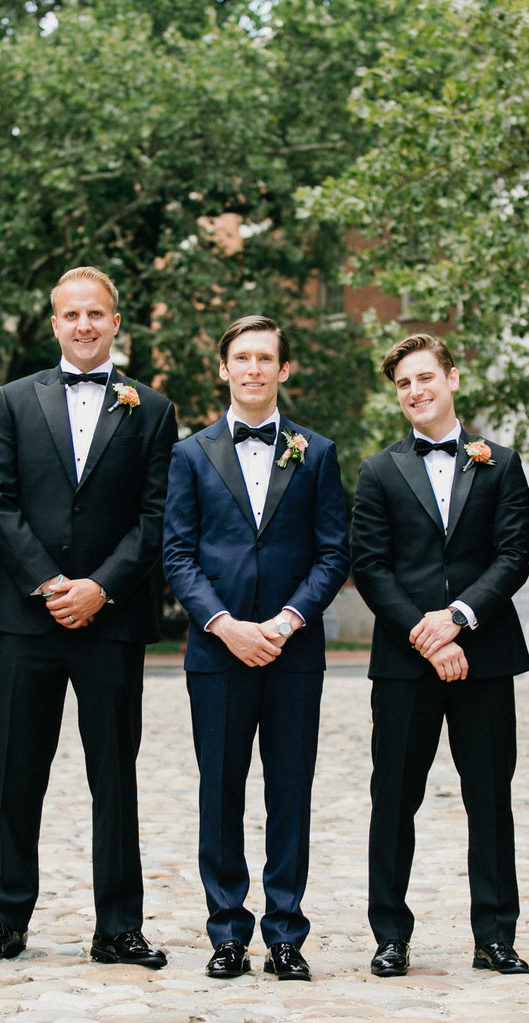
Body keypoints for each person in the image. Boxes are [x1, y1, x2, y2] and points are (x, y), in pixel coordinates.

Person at [0, 267, 178, 969]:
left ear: (117, 322)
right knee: (17, 771)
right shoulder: (15, 400)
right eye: (70, 314)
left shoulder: (152, 407)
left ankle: (119, 924)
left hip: (111, 623)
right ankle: (7, 917)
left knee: (114, 775)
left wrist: (101, 587)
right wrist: (51, 583)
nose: (84, 324)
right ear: (54, 323)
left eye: (96, 313)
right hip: (27, 620)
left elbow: (156, 515)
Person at [162, 314, 350, 981]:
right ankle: (227, 931)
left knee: (290, 790)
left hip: (293, 652)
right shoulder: (190, 454)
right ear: (224, 367)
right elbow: (177, 554)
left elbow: (333, 552)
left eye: (265, 358)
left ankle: (286, 931)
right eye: (242, 357)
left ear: (283, 369)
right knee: (221, 790)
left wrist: (289, 619)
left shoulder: (316, 452)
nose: (253, 369)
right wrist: (224, 625)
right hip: (216, 654)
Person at [350, 333, 529, 979]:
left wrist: (458, 620)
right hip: (404, 665)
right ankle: (390, 934)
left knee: (490, 797)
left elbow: (514, 555)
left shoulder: (502, 463)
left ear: (451, 377)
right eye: (403, 383)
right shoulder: (377, 470)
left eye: (425, 377)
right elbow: (370, 568)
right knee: (394, 797)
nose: (415, 391)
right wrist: (427, 637)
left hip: (484, 657)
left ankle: (495, 935)